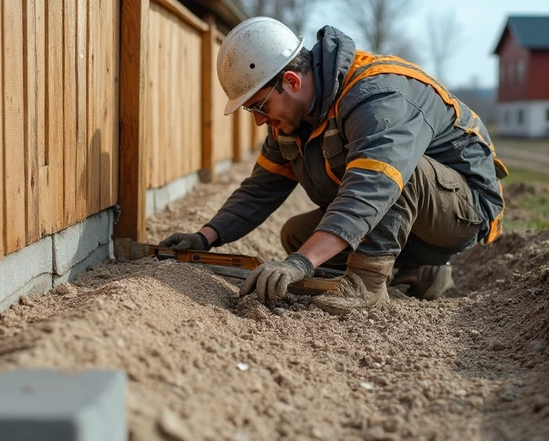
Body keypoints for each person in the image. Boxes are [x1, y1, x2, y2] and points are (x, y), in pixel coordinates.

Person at [160, 16, 507, 314]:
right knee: (297, 235)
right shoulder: (295, 118)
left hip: (463, 211)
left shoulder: (376, 96)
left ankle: (368, 284)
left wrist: (302, 263)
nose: (259, 122)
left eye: (258, 107)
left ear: (291, 82)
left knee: (392, 172)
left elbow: (371, 188)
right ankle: (418, 269)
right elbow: (260, 188)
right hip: (415, 213)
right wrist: (205, 237)